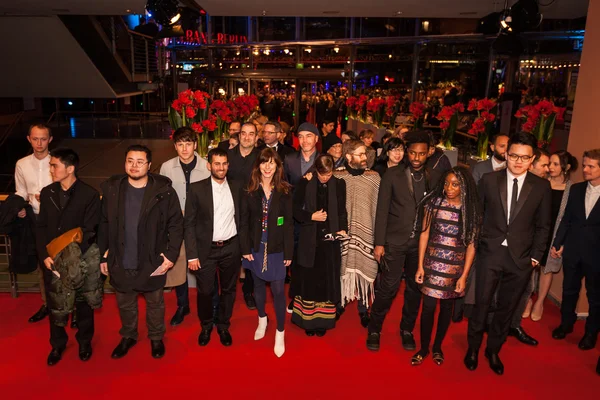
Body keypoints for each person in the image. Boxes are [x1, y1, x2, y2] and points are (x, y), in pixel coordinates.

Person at [465, 132, 551, 376]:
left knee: (507, 308)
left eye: (525, 157)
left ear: (532, 159)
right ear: (506, 154)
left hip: (521, 259)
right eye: (513, 155)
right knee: (481, 305)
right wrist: (477, 245)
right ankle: (472, 348)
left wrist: (535, 257)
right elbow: (477, 216)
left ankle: (493, 350)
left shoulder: (541, 187)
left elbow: (544, 225)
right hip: (489, 253)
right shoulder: (489, 180)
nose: (518, 161)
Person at [99, 145, 183, 360]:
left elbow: (176, 224)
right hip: (121, 257)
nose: (134, 165)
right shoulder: (112, 189)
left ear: (149, 165)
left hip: (152, 258)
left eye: (139, 161)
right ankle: (128, 335)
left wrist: (171, 255)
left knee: (155, 303)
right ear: (125, 163)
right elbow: (104, 222)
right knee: (125, 303)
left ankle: (156, 337)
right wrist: (103, 253)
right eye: (130, 161)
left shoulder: (164, 191)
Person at [368, 130, 442, 351]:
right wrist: (379, 243)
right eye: (412, 153)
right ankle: (374, 328)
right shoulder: (392, 175)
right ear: (407, 152)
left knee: (414, 289)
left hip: (420, 246)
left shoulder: (433, 177)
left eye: (421, 154)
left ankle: (406, 329)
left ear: (428, 153)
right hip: (394, 241)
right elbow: (382, 211)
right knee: (388, 288)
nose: (416, 158)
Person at [36, 148, 101, 366]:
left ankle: (84, 342)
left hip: (79, 259)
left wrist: (71, 257)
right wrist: (45, 254)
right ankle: (57, 344)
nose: (51, 169)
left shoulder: (89, 194)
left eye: (55, 165)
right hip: (51, 260)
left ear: (70, 168)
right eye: (51, 165)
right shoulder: (47, 193)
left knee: (83, 304)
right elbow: (42, 227)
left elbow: (90, 230)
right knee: (56, 302)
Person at [412, 167, 480, 366]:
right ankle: (424, 348)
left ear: (464, 187)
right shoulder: (434, 204)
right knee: (428, 308)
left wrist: (464, 276)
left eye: (455, 184)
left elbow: (472, 245)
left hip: (454, 268)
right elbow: (424, 234)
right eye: (446, 183)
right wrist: (420, 266)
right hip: (432, 265)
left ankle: (437, 347)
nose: (449, 188)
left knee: (446, 309)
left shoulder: (470, 210)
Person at [184, 148, 242, 347]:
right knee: (205, 291)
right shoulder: (196, 189)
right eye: (217, 164)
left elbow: (243, 219)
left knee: (229, 290)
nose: (221, 167)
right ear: (209, 165)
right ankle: (207, 325)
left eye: (224, 163)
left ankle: (224, 325)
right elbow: (189, 223)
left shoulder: (236, 187)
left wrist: (244, 248)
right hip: (205, 251)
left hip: (231, 248)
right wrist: (192, 255)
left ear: (228, 165)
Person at [240, 148, 293, 357]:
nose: (268, 167)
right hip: (255, 247)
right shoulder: (250, 191)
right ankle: (262, 318)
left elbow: (288, 225)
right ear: (258, 165)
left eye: (272, 163)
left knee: (279, 291)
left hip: (277, 250)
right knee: (258, 286)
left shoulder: (285, 191)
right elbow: (243, 222)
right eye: (264, 162)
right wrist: (244, 249)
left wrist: (289, 252)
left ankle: (280, 331)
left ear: (278, 166)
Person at [291, 154, 348, 336]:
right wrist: (311, 216)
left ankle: (323, 322)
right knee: (309, 282)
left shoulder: (339, 184)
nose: (325, 177)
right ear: (316, 170)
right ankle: (308, 322)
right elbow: (294, 211)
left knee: (326, 283)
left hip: (329, 243)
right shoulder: (305, 183)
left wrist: (342, 229)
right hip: (309, 241)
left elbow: (341, 211)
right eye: (322, 174)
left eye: (329, 174)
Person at [159, 127, 210, 326]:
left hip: (201, 225)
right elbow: (163, 197)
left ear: (195, 145)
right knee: (179, 266)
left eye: (188, 144)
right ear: (175, 146)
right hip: (177, 225)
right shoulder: (166, 167)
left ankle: (207, 305)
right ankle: (183, 305)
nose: (184, 148)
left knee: (204, 267)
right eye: (180, 144)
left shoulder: (206, 166)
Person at [551, 149, 600, 351]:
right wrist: (558, 242)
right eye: (585, 164)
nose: (585, 169)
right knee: (569, 290)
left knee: (595, 297)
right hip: (573, 250)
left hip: (597, 256)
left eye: (591, 166)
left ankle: (590, 333)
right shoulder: (577, 189)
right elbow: (567, 219)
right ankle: (566, 324)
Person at [334, 139, 381, 327]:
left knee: (365, 268)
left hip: (367, 232)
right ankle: (339, 303)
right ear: (348, 156)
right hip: (342, 234)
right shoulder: (337, 176)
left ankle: (363, 307)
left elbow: (378, 207)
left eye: (365, 154)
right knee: (340, 268)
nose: (365, 158)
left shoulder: (374, 177)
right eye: (360, 154)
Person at [527, 150, 577, 322]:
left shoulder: (572, 190)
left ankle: (539, 302)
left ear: (566, 167)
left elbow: (570, 219)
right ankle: (526, 300)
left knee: (547, 269)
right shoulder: (542, 183)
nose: (550, 168)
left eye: (556, 164)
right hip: (536, 232)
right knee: (530, 266)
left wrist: (562, 242)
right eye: (549, 164)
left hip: (556, 235)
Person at [15, 123, 53, 324]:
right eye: (35, 138)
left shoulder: (58, 162)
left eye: (43, 139)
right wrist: (19, 207)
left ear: (50, 140)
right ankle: (47, 303)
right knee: (42, 265)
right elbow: (20, 191)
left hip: (56, 220)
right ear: (29, 139)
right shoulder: (21, 164)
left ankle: (72, 306)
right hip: (35, 220)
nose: (39, 143)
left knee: (65, 264)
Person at [227, 122, 260, 310]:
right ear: (239, 136)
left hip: (253, 215)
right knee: (230, 257)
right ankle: (228, 293)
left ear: (256, 138)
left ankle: (249, 292)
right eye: (244, 134)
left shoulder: (261, 158)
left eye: (251, 134)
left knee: (251, 256)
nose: (247, 137)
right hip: (229, 214)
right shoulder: (228, 157)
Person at [284, 122, 319, 186]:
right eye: (301, 137)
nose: (304, 140)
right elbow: (285, 186)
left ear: (316, 138)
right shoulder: (290, 160)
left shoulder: (323, 159)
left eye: (308, 136)